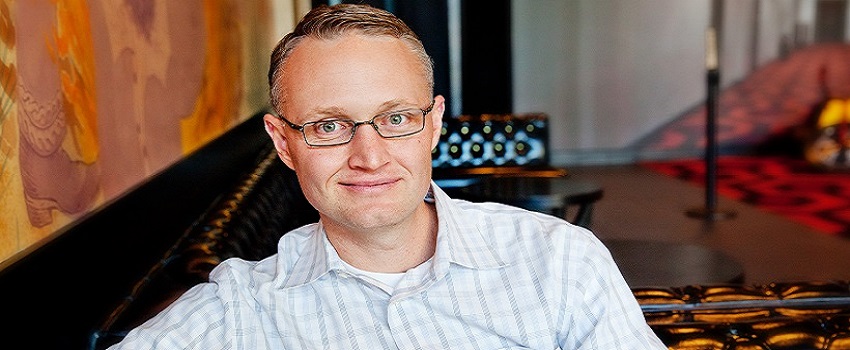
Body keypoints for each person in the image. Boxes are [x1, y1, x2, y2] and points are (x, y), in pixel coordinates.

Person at [111, 4, 665, 349]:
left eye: (396, 119)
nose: (369, 156)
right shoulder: (239, 313)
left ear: (434, 126)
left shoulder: (560, 261)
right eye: (329, 125)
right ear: (284, 142)